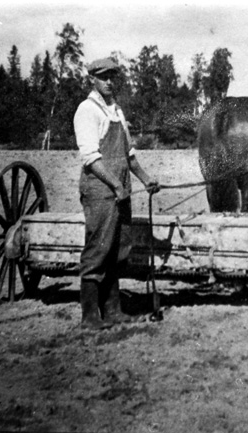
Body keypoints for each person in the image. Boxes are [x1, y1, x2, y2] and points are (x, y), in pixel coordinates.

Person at [74, 57, 160, 330]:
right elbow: (91, 158)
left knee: (118, 250)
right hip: (101, 192)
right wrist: (115, 185)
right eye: (104, 77)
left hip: (120, 191)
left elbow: (129, 155)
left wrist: (146, 179)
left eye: (112, 77)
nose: (109, 82)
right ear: (92, 79)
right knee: (98, 250)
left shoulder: (117, 111)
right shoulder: (87, 111)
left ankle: (113, 311)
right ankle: (90, 316)